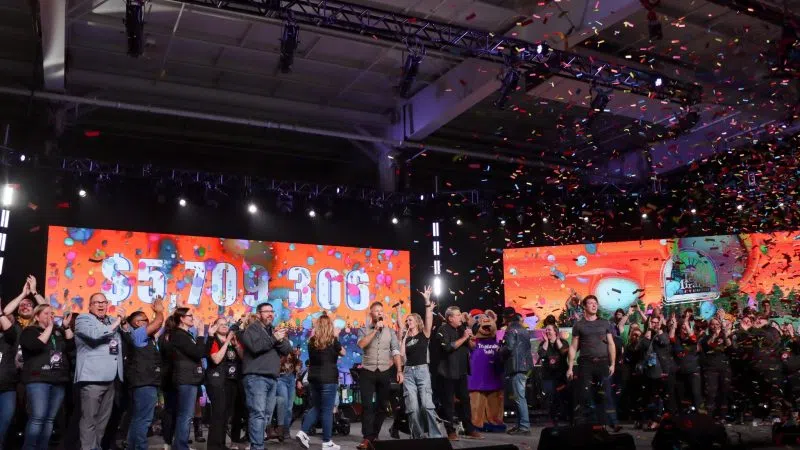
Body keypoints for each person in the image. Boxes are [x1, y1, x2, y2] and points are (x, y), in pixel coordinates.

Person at [74, 293, 126, 450]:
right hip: (92, 377)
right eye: (97, 302)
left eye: (104, 302)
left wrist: (123, 323)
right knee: (89, 419)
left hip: (111, 377)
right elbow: (95, 335)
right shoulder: (83, 319)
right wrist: (117, 322)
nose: (101, 305)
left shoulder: (112, 320)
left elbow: (127, 337)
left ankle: (96, 447)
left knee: (102, 421)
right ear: (90, 306)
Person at [20, 305, 74, 450]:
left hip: (58, 379)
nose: (50, 316)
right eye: (46, 313)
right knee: (38, 417)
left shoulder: (58, 332)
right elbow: (36, 345)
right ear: (37, 316)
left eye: (52, 313)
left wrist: (66, 327)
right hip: (38, 380)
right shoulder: (29, 331)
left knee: (50, 419)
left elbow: (70, 345)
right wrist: (49, 327)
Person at [240, 303, 292, 450]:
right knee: (258, 413)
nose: (270, 314)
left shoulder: (272, 331)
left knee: (267, 415)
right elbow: (256, 347)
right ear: (258, 314)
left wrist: (278, 339)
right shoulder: (252, 329)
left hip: (272, 378)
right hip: (256, 378)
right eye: (266, 311)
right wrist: (274, 338)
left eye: (272, 311)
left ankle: (257, 444)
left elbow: (287, 349)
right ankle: (257, 446)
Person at [566, 295, 620, 431]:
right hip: (586, 364)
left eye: (595, 303)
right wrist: (570, 367)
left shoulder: (605, 323)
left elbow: (611, 344)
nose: (594, 305)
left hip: (603, 362)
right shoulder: (579, 325)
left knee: (606, 393)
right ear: (585, 306)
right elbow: (573, 347)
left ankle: (612, 422)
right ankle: (591, 425)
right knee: (586, 394)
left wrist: (613, 363)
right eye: (590, 303)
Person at [356, 302, 404, 449]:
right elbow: (361, 344)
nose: (379, 313)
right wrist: (375, 330)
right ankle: (367, 437)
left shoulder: (390, 332)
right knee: (367, 405)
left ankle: (373, 435)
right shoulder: (363, 330)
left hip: (384, 372)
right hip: (367, 371)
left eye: (381, 311)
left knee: (383, 405)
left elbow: (395, 351)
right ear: (371, 314)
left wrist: (399, 370)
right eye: (376, 311)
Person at [295, 314, 344, 450]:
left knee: (317, 407)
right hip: (328, 379)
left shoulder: (312, 341)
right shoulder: (333, 340)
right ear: (330, 326)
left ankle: (303, 432)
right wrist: (336, 337)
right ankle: (327, 442)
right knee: (327, 410)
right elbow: (343, 353)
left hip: (314, 379)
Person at [399, 286, 441, 439]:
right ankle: (417, 437)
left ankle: (435, 436)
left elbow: (429, 319)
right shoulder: (406, 338)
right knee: (413, 407)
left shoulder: (424, 334)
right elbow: (402, 355)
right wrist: (404, 336)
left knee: (426, 405)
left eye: (410, 319)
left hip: (422, 371)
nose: (407, 321)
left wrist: (427, 301)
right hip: (408, 372)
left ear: (417, 321)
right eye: (407, 320)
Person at [122, 298, 165, 450]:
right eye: (145, 320)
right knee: (144, 420)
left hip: (144, 382)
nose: (148, 322)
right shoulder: (139, 333)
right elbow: (158, 322)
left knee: (138, 418)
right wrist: (159, 311)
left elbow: (160, 324)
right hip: (144, 383)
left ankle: (132, 446)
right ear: (137, 323)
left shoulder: (146, 337)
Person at [436, 306, 482, 441]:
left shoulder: (462, 329)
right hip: (447, 372)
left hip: (462, 371)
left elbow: (472, 347)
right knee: (448, 403)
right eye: (458, 315)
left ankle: (469, 429)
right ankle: (450, 431)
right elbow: (447, 347)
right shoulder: (443, 329)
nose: (461, 317)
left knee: (465, 401)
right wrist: (464, 337)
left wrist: (471, 338)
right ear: (450, 318)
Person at [169, 307, 208, 450]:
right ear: (182, 318)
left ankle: (180, 445)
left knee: (186, 414)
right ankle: (180, 446)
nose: (193, 318)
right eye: (190, 315)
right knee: (185, 415)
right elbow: (198, 353)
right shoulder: (179, 335)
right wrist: (201, 334)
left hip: (191, 378)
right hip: (185, 378)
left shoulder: (186, 334)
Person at [205, 317, 243, 450]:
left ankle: (221, 444)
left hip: (231, 381)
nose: (224, 326)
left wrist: (236, 344)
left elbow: (243, 357)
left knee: (226, 415)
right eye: (220, 324)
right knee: (218, 414)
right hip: (217, 381)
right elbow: (216, 359)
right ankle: (214, 446)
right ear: (215, 327)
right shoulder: (213, 341)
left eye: (226, 324)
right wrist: (227, 342)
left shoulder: (232, 341)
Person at [501, 307, 533, 435]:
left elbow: (509, 347)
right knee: (518, 397)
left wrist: (500, 350)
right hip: (524, 367)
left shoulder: (510, 329)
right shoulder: (523, 329)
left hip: (516, 367)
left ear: (506, 317)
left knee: (519, 397)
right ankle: (519, 425)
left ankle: (524, 426)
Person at [699, 317, 731, 420]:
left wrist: (723, 334)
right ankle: (709, 417)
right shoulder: (706, 338)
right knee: (711, 393)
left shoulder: (725, 336)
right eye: (713, 324)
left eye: (717, 324)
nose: (715, 326)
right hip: (710, 369)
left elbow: (729, 345)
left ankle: (722, 416)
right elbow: (708, 346)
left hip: (724, 368)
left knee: (724, 392)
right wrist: (714, 336)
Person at [536, 323, 568, 426]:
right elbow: (541, 354)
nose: (547, 331)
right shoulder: (543, 343)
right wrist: (546, 342)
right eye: (546, 330)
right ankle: (553, 419)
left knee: (561, 397)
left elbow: (564, 353)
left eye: (549, 330)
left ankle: (563, 417)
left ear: (555, 331)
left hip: (561, 375)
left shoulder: (563, 342)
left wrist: (558, 340)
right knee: (550, 397)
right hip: (548, 375)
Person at [671, 320, 701, 411]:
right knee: (681, 394)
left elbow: (692, 336)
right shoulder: (676, 339)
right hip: (680, 370)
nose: (684, 329)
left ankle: (697, 412)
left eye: (686, 328)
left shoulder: (693, 339)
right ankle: (683, 413)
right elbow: (671, 337)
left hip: (693, 370)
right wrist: (674, 326)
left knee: (695, 393)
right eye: (682, 328)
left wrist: (686, 324)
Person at [273, 348, 302, 441]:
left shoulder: (294, 357)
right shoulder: (279, 354)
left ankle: (286, 430)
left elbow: (298, 370)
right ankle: (281, 430)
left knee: (289, 408)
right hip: (281, 379)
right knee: (284, 405)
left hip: (291, 380)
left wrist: (298, 357)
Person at [0, 307, 18, 450]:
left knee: (5, 421)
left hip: (7, 387)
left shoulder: (10, 338)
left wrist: (1, 314)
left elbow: (11, 331)